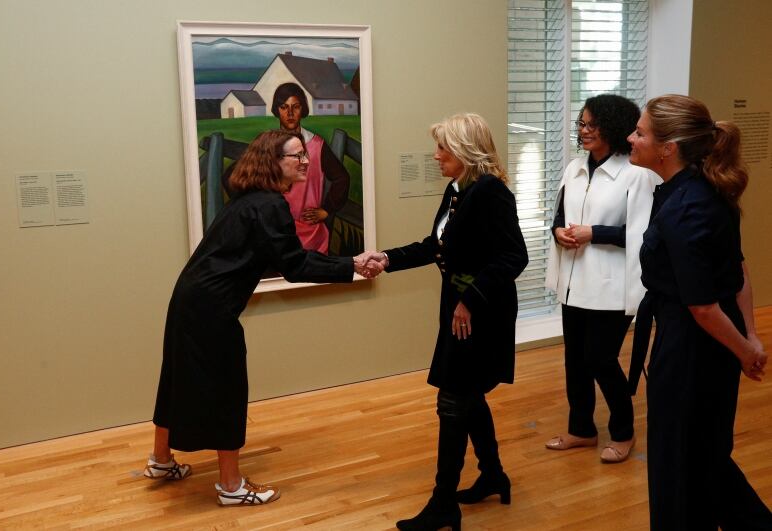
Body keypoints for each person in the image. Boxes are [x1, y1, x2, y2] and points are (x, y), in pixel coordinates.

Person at [144, 130, 380, 506]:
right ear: (274, 162)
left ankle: (161, 460)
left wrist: (346, 262)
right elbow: (296, 265)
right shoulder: (270, 205)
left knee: (176, 376)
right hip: (212, 307)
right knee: (227, 389)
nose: (304, 161)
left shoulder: (251, 201)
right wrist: (351, 264)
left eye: (305, 154)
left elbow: (286, 257)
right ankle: (231, 486)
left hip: (190, 298)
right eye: (295, 156)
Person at [360, 113, 528, 530]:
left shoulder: (489, 193)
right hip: (460, 310)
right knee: (467, 396)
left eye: (443, 148)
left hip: (479, 314)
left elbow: (514, 257)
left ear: (466, 151)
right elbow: (436, 246)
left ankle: (443, 503)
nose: (436, 156)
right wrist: (387, 258)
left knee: (453, 401)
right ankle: (492, 475)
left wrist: (469, 298)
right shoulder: (458, 191)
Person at [627, 94, 772, 529]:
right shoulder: (702, 189)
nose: (631, 139)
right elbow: (738, 270)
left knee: (677, 460)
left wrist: (747, 350)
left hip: (692, 347)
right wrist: (748, 336)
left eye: (640, 132)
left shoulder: (685, 208)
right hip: (709, 343)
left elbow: (704, 306)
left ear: (668, 148)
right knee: (706, 455)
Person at [543, 94, 658, 462]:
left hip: (612, 287)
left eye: (593, 124)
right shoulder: (575, 168)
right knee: (574, 361)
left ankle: (623, 431)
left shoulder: (637, 175)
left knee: (600, 360)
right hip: (574, 282)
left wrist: (596, 233)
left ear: (613, 127)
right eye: (581, 123)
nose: (585, 130)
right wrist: (558, 232)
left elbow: (645, 237)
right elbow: (559, 215)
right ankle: (581, 429)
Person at [272, 82, 350, 254]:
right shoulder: (268, 145)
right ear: (276, 110)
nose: (290, 113)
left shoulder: (317, 145)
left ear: (303, 109)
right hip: (276, 233)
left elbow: (342, 178)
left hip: (311, 233)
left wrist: (327, 210)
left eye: (296, 107)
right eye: (284, 107)